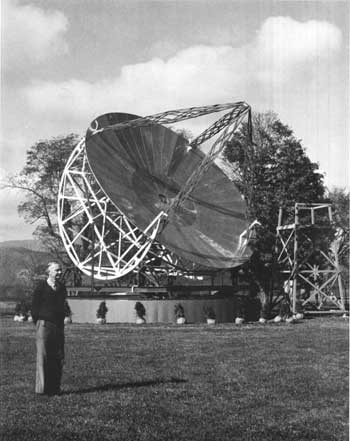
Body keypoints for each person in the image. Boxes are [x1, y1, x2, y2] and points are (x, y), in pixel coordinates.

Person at [31, 262, 67, 396]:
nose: (59, 273)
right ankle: (42, 389)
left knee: (57, 356)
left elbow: (62, 306)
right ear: (49, 272)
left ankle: (55, 388)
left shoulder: (62, 288)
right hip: (44, 325)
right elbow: (34, 307)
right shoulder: (41, 287)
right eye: (57, 270)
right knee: (43, 356)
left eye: (60, 271)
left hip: (57, 325)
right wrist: (39, 322)